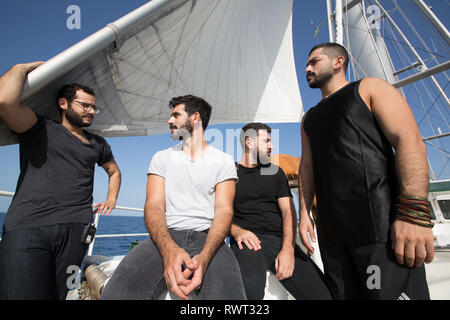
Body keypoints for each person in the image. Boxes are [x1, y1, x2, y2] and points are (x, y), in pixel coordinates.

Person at [298, 42, 434, 300]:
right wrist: (304, 215)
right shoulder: (309, 118)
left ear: (339, 62)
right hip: (333, 240)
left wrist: (413, 212)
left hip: (380, 233)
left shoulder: (369, 87)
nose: (307, 68)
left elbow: (408, 139)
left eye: (314, 61)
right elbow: (307, 167)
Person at [101, 95, 246, 300]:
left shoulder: (223, 161)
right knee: (115, 296)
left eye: (175, 115)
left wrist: (204, 259)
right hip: (165, 236)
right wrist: (169, 250)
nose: (170, 121)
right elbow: (154, 206)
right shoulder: (161, 158)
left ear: (195, 118)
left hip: (209, 239)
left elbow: (224, 211)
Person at [0, 62, 122, 300]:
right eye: (85, 105)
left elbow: (114, 171)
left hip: (76, 231)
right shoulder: (39, 128)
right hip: (28, 227)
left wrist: (112, 198)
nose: (90, 111)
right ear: (63, 104)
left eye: (93, 107)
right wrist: (21, 67)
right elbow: (5, 102)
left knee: (59, 295)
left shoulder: (98, 144)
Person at [230, 122, 332, 300]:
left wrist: (288, 250)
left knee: (324, 295)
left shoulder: (276, 173)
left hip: (279, 240)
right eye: (267, 141)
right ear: (249, 142)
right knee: (249, 294)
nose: (272, 146)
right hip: (246, 242)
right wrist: (237, 231)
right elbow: (218, 214)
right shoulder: (228, 174)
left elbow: (288, 212)